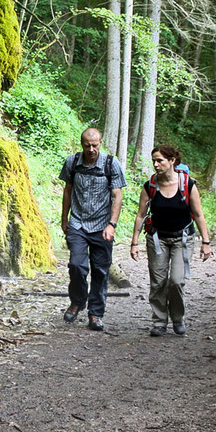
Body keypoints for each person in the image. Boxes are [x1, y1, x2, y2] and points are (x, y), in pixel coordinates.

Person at [129, 145, 211, 336]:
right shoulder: (150, 186)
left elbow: (198, 215)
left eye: (160, 160)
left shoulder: (188, 184)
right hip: (157, 238)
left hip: (182, 239)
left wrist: (205, 242)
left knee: (176, 280)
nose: (156, 165)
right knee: (157, 282)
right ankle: (159, 321)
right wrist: (134, 243)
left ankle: (178, 317)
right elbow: (141, 215)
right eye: (154, 161)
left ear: (172, 161)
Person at [59, 127, 127, 331]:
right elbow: (67, 191)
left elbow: (117, 196)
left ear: (100, 144)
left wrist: (112, 225)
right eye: (87, 145)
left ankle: (96, 314)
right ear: (82, 144)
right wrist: (64, 219)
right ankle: (78, 301)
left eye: (95, 145)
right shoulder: (72, 162)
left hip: (102, 226)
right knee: (76, 266)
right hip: (78, 223)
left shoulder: (110, 163)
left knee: (100, 270)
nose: (91, 149)